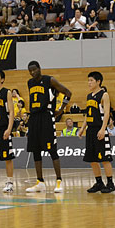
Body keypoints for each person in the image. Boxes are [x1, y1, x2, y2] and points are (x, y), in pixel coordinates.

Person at [26, 61, 72, 193]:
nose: (32, 73)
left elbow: (68, 92)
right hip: (34, 117)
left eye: (34, 70)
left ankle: (59, 181)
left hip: (46, 117)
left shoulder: (50, 80)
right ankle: (40, 182)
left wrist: (61, 109)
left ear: (39, 68)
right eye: (30, 71)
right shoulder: (30, 82)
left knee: (52, 149)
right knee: (35, 150)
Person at [78, 71, 115, 193]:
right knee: (92, 159)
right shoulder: (89, 96)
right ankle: (99, 182)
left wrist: (103, 129)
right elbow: (87, 115)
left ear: (98, 81)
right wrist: (82, 128)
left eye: (91, 80)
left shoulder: (104, 95)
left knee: (105, 158)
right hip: (90, 131)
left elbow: (106, 114)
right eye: (88, 80)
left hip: (100, 129)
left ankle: (110, 183)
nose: (89, 83)